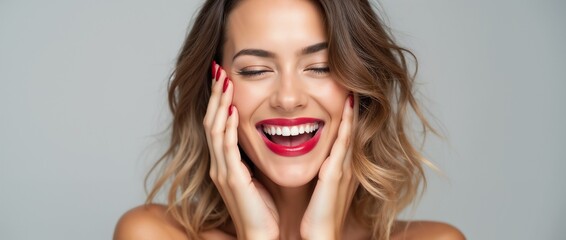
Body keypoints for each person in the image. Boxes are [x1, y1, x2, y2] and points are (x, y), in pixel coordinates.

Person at [114, 0, 465, 239]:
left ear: (362, 81)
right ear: (216, 87)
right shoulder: (149, 233)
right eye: (255, 70)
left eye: (320, 67)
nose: (288, 98)